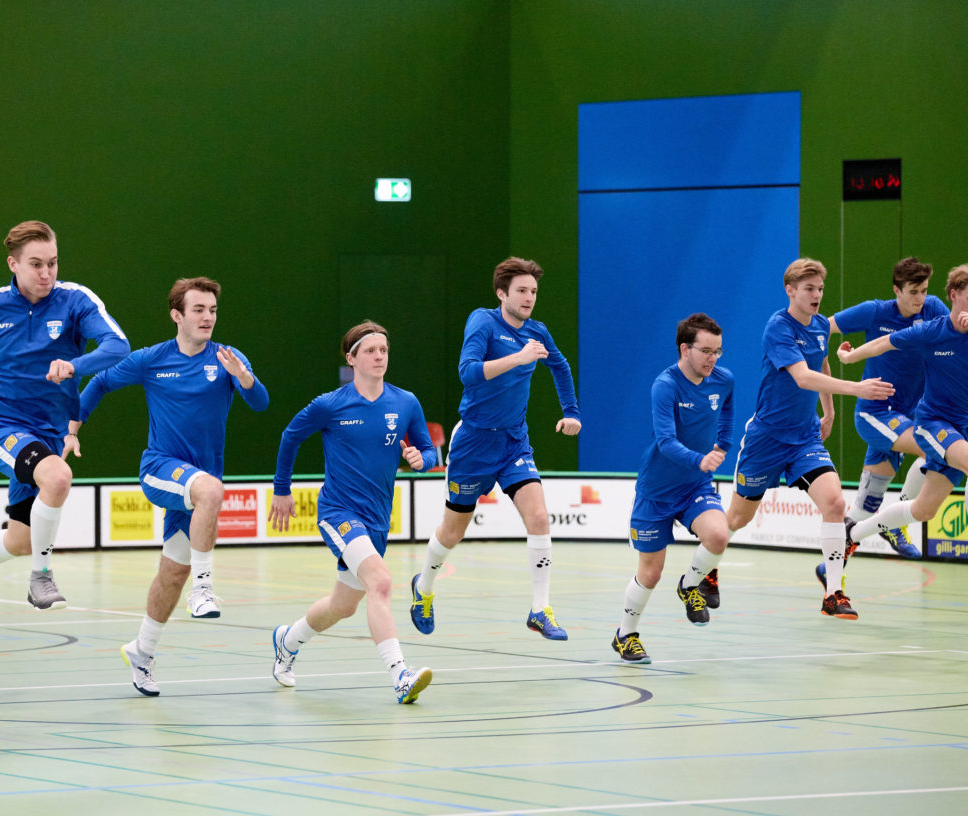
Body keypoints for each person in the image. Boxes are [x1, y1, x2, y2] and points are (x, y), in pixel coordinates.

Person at [74, 277, 269, 696]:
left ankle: (142, 651)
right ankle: (204, 589)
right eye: (198, 309)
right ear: (176, 315)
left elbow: (261, 404)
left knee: (172, 572)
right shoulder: (151, 359)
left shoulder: (228, 358)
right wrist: (73, 427)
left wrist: (245, 379)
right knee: (211, 492)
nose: (207, 317)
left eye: (212, 310)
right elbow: (101, 382)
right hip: (160, 468)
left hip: (199, 484)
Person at [0, 221, 129, 629]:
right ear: (13, 264)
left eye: (52, 263)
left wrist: (75, 365)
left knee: (20, 540)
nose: (46, 273)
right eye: (36, 264)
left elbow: (118, 346)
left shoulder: (75, 300)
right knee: (57, 478)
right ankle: (41, 578)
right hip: (3, 428)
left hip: (50, 434)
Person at [411, 257, 581, 641]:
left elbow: (560, 366)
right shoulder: (483, 322)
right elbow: (468, 372)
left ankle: (540, 609)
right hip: (473, 444)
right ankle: (424, 587)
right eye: (521, 290)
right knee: (452, 531)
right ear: (502, 293)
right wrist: (518, 358)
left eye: (533, 291)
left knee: (539, 517)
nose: (529, 297)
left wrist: (571, 412)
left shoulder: (537, 331)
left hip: (514, 442)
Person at [268, 321, 436, 704]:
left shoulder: (406, 402)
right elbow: (291, 435)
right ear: (352, 358)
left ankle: (287, 641)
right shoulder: (330, 404)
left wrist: (421, 460)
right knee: (381, 581)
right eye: (371, 351)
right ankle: (400, 675)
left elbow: (427, 451)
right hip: (338, 512)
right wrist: (281, 490)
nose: (379, 356)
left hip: (377, 521)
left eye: (384, 350)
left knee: (342, 606)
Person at [723, 258, 894, 620]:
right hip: (767, 439)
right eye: (809, 289)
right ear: (790, 290)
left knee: (834, 503)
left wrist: (828, 411)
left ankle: (833, 593)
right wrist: (857, 388)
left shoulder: (819, 325)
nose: (817, 295)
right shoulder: (778, 327)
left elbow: (821, 362)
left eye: (820, 289)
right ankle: (704, 569)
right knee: (737, 519)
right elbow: (802, 377)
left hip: (804, 438)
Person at [837, 263, 968, 579]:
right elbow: (884, 343)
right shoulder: (931, 331)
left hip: (963, 426)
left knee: (923, 510)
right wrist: (849, 357)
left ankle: (851, 534)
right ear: (953, 295)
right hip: (933, 422)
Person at [616, 313, 734, 664]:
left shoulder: (723, 380)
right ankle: (625, 635)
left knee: (718, 535)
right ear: (685, 349)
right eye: (706, 351)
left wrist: (723, 446)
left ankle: (689, 585)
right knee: (650, 573)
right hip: (657, 491)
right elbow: (666, 442)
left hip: (695, 485)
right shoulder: (665, 385)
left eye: (718, 351)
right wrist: (701, 459)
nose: (713, 359)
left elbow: (727, 411)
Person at [828, 257, 949, 559]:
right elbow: (822, 329)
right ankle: (897, 521)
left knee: (864, 508)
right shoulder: (875, 311)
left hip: (907, 416)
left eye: (924, 291)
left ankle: (830, 570)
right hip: (875, 414)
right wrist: (834, 359)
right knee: (934, 448)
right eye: (913, 292)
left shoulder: (934, 309)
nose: (920, 299)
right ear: (897, 290)